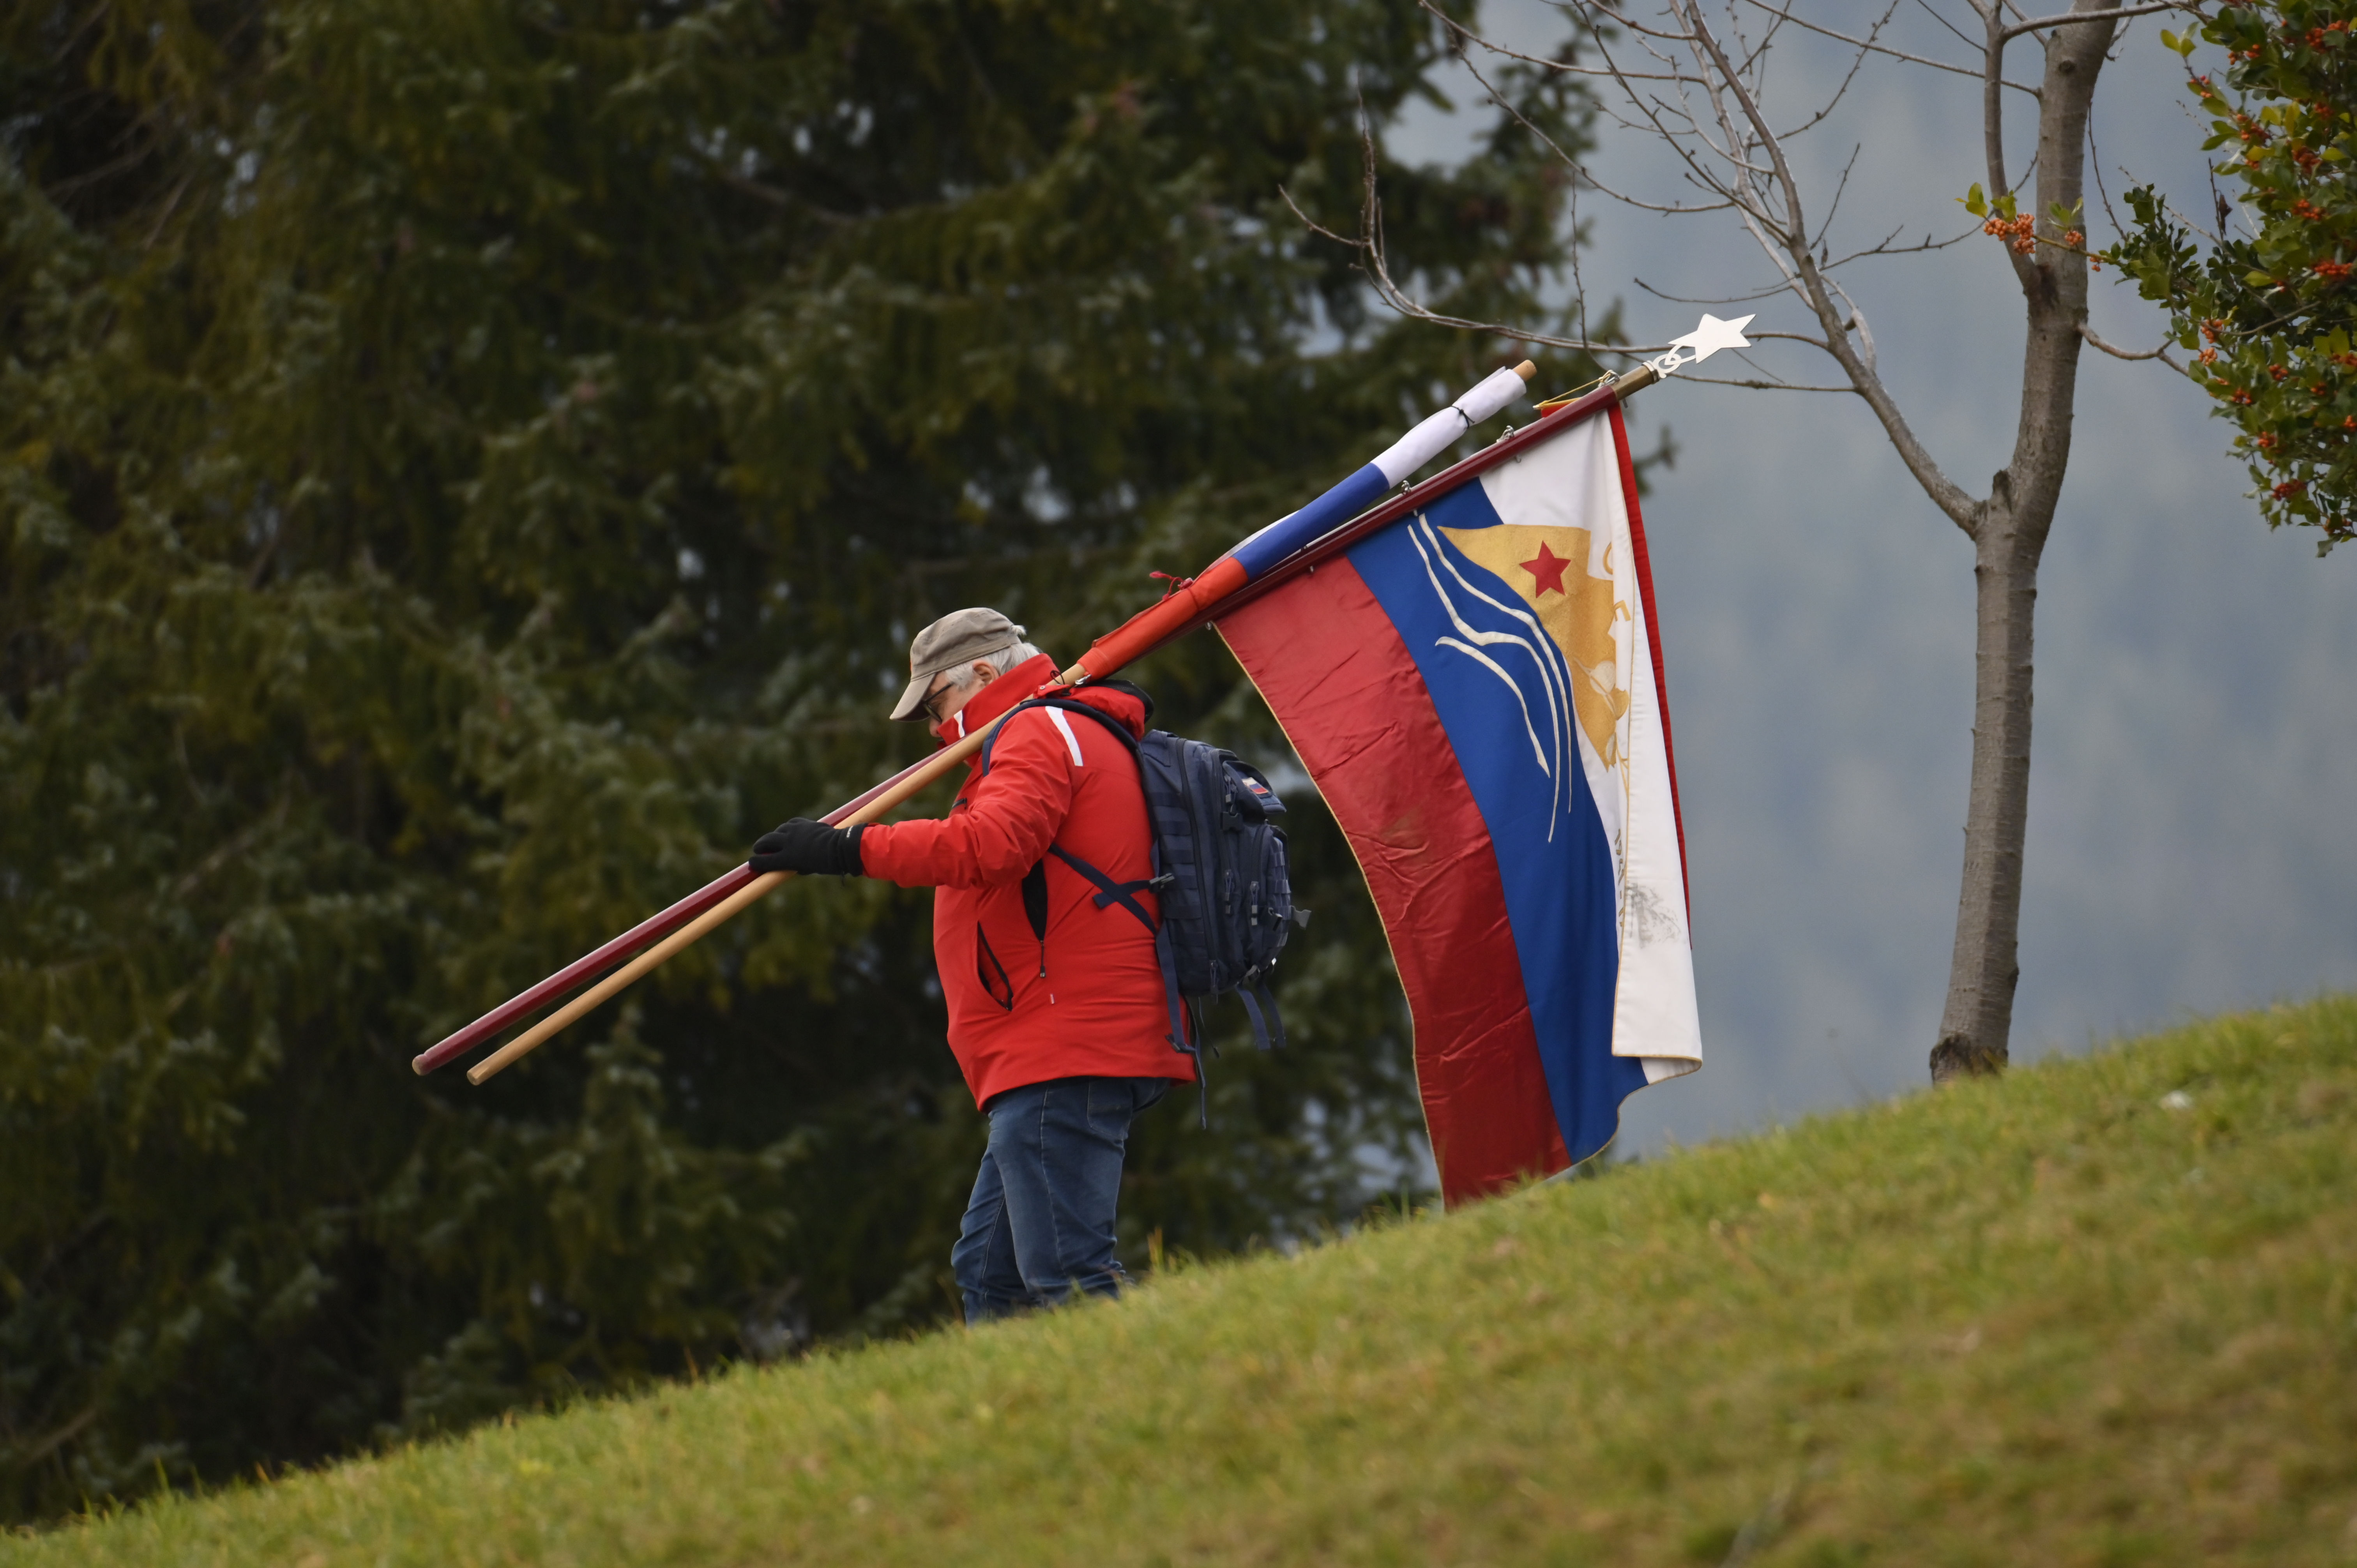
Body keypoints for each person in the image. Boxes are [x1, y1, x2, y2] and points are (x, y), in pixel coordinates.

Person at [747, 608, 1191, 1323]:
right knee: (991, 1274)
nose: (932, 726)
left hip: (1065, 1041)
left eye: (936, 702)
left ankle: (1156, 1412)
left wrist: (846, 849)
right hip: (1053, 1042)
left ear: (985, 673)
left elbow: (992, 846)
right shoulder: (1052, 728)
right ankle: (1032, 1424)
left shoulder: (1037, 729)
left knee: (1065, 1273)